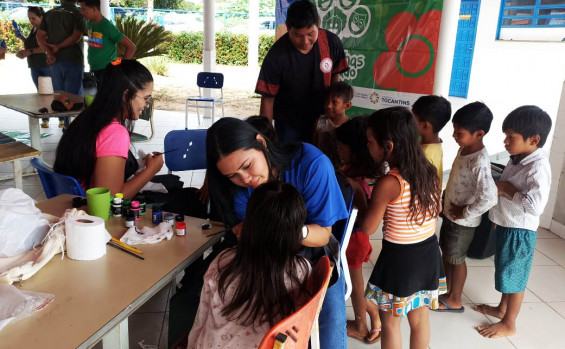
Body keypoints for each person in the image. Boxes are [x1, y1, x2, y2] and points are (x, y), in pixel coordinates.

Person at [170, 117, 348, 349]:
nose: (246, 180)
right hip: (255, 252)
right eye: (232, 175)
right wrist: (247, 233)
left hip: (309, 248)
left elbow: (323, 234)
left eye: (247, 166)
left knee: (330, 329)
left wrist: (289, 230)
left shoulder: (311, 164)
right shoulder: (231, 185)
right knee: (188, 300)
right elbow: (238, 231)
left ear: (261, 142)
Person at [187, 181, 311, 348]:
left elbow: (201, 317)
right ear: (297, 232)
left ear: (249, 223)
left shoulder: (223, 261)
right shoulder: (302, 270)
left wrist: (191, 343)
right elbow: (300, 325)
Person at [360, 107, 445, 349]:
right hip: (428, 253)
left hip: (400, 259)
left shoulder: (389, 183)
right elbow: (436, 209)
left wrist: (359, 196)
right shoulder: (428, 171)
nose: (368, 147)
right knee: (419, 318)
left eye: (370, 142)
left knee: (390, 321)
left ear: (388, 145)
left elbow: (368, 228)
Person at [474, 105, 552, 338]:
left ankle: (510, 323)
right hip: (507, 225)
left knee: (515, 276)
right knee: (505, 271)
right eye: (506, 136)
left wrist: (507, 189)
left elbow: (536, 207)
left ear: (534, 139)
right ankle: (501, 309)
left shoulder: (538, 168)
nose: (506, 142)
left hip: (520, 232)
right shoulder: (519, 157)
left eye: (511, 137)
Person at [53, 59, 163, 198]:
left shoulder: (86, 117)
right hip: (92, 213)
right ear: (125, 95)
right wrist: (151, 170)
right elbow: (111, 200)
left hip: (73, 204)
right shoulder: (114, 133)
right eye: (146, 99)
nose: (146, 105)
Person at [255, 0, 348, 143]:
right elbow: (267, 100)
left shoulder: (331, 43)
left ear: (318, 23)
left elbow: (335, 75)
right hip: (289, 123)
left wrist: (334, 108)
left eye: (311, 34)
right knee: (291, 161)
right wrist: (266, 138)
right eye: (298, 35)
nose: (305, 41)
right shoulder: (276, 56)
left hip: (323, 119)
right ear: (288, 27)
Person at [437, 102, 498, 312]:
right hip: (451, 216)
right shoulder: (465, 148)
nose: (454, 135)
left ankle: (455, 299)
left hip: (463, 222)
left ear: (479, 134)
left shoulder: (480, 161)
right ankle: (447, 291)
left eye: (459, 132)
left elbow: (489, 197)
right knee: (448, 254)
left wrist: (465, 212)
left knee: (457, 259)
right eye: (454, 130)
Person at [334, 117, 382, 344]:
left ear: (356, 150)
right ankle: (372, 315)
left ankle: (363, 323)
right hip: (355, 238)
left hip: (352, 241)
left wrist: (349, 185)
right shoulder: (360, 172)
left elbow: (358, 216)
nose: (339, 150)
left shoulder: (357, 181)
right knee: (354, 283)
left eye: (342, 147)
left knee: (354, 284)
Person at [37, 0, 86, 129]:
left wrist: (50, 53)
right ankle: (72, 129)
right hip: (73, 60)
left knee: (60, 96)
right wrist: (58, 47)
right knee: (73, 98)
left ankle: (66, 125)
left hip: (55, 62)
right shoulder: (78, 13)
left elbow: (40, 36)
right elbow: (76, 36)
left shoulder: (49, 13)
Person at [14, 7, 62, 129]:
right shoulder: (34, 29)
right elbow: (32, 45)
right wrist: (22, 38)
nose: (31, 20)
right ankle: (45, 118)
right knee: (42, 94)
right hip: (35, 66)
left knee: (55, 92)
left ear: (41, 17)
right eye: (29, 18)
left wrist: (29, 51)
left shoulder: (46, 29)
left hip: (47, 65)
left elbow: (45, 47)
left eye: (33, 18)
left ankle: (63, 117)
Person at [79, 0, 136, 84]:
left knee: (107, 96)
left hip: (107, 71)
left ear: (94, 9)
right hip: (94, 69)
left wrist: (121, 68)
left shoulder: (107, 27)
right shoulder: (90, 23)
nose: (81, 12)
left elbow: (131, 47)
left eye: (84, 9)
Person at [412, 95, 452, 185]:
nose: (410, 123)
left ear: (425, 125)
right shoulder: (436, 144)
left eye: (413, 120)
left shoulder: (425, 154)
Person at [313, 81, 353, 169]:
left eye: (334, 102)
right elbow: (314, 146)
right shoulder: (319, 122)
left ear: (347, 105)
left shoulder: (351, 126)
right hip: (321, 167)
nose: (329, 106)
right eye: (327, 101)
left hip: (341, 171)